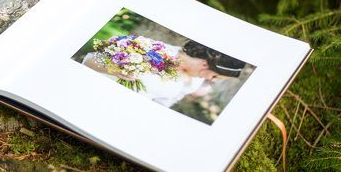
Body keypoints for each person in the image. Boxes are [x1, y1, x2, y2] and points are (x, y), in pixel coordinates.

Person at [82, 38, 246, 108]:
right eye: (215, 76)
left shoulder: (193, 83)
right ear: (204, 64)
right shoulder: (152, 49)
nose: (212, 80)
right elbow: (89, 60)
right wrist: (114, 69)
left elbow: (162, 104)